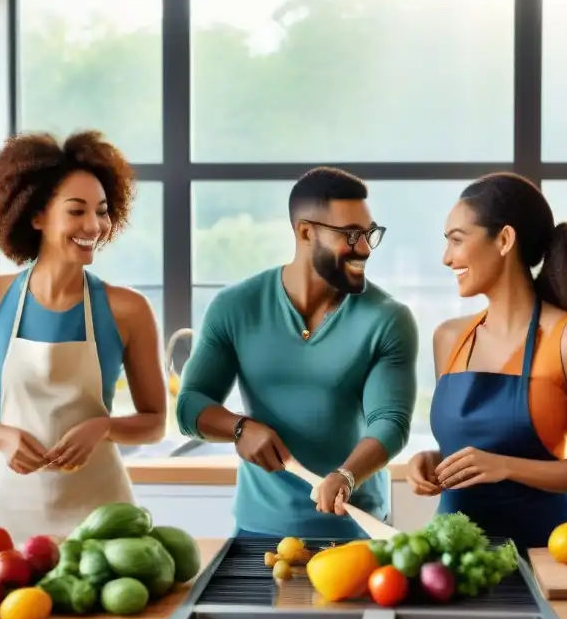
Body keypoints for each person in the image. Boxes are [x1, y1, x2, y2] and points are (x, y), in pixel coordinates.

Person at [176, 167, 419, 540]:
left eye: (369, 233)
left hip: (357, 528)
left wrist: (346, 475)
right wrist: (240, 428)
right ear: (306, 232)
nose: (365, 248)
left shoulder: (387, 318)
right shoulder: (235, 307)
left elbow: (390, 421)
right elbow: (190, 405)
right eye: (351, 234)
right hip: (258, 531)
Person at [0, 130, 167, 548]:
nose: (94, 226)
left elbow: (156, 422)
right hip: (7, 515)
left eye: (102, 212)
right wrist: (3, 437)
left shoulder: (129, 310)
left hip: (100, 515)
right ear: (36, 216)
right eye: (77, 211)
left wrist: (104, 428)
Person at [405, 172, 567, 553]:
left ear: (504, 240)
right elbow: (478, 445)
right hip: (455, 554)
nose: (447, 257)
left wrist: (507, 466)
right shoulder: (449, 338)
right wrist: (436, 460)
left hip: (545, 551)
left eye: (457, 240)